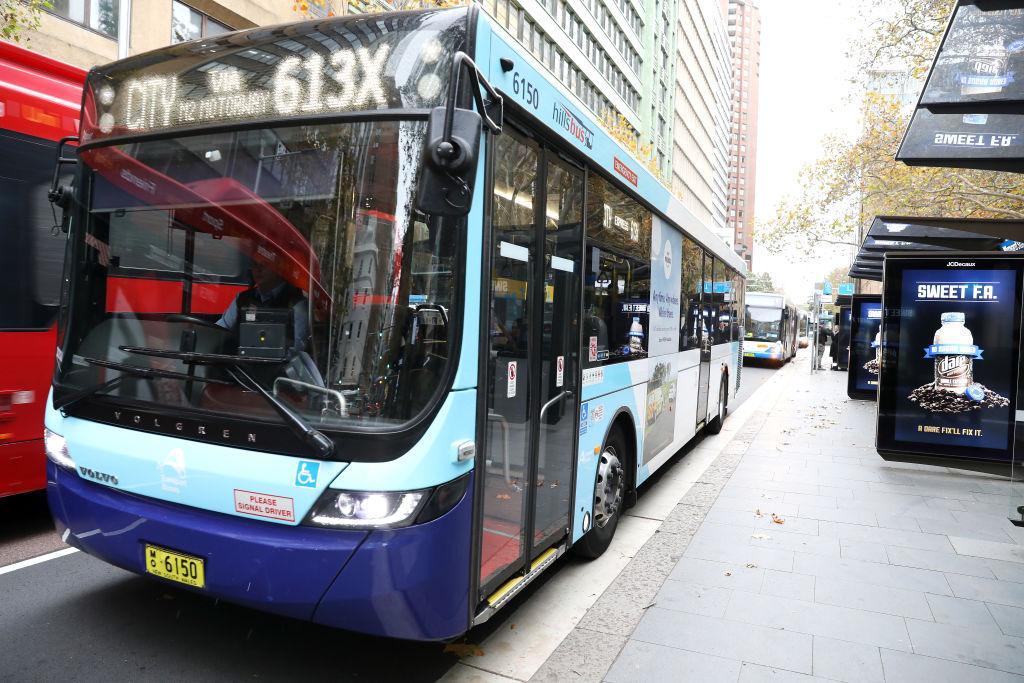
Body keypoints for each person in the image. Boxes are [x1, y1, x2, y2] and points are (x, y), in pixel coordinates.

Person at [217, 257, 310, 355]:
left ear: (279, 268)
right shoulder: (242, 298)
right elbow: (221, 329)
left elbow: (297, 350)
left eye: (265, 264)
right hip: (241, 365)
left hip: (278, 367)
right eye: (254, 264)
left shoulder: (297, 304)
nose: (258, 269)